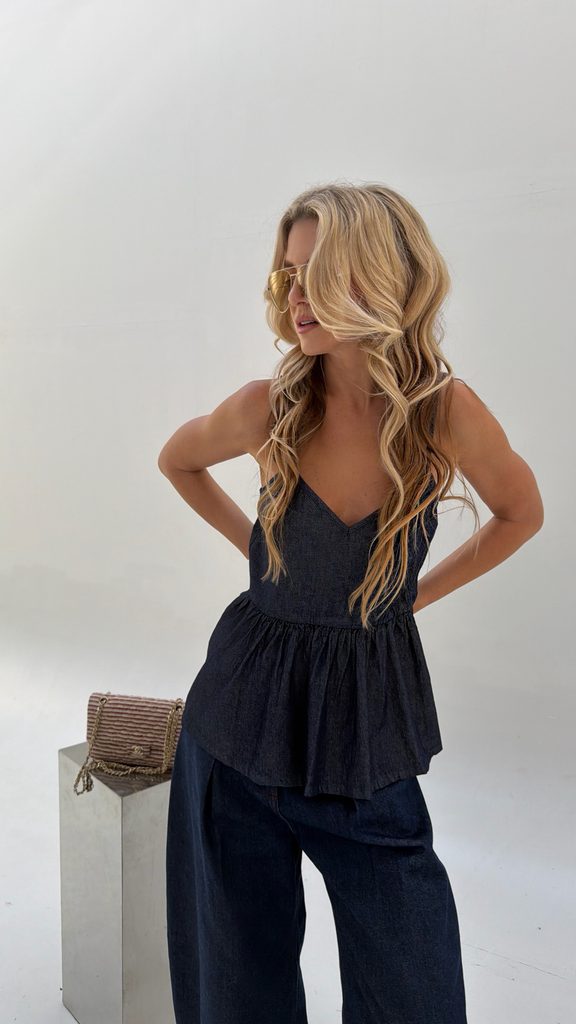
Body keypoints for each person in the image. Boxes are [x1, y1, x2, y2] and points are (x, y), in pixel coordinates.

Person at [158, 182, 544, 1024]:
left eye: (319, 272)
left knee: (414, 989)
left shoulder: (441, 413)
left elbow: (522, 513)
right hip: (235, 726)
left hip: (364, 727)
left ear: (380, 276)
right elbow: (176, 459)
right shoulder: (269, 408)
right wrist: (264, 556)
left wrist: (408, 596)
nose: (297, 296)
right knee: (238, 993)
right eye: (288, 276)